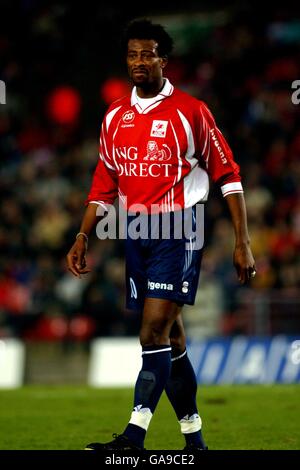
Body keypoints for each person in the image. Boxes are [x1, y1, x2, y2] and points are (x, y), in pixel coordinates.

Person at [66, 18, 256, 451]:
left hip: (179, 228)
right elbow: (104, 183)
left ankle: (133, 437)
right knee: (171, 338)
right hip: (136, 231)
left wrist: (242, 241)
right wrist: (82, 235)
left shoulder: (191, 111)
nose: (139, 61)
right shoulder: (114, 116)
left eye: (147, 53)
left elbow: (228, 175)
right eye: (132, 54)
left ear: (163, 60)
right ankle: (194, 439)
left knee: (152, 332)